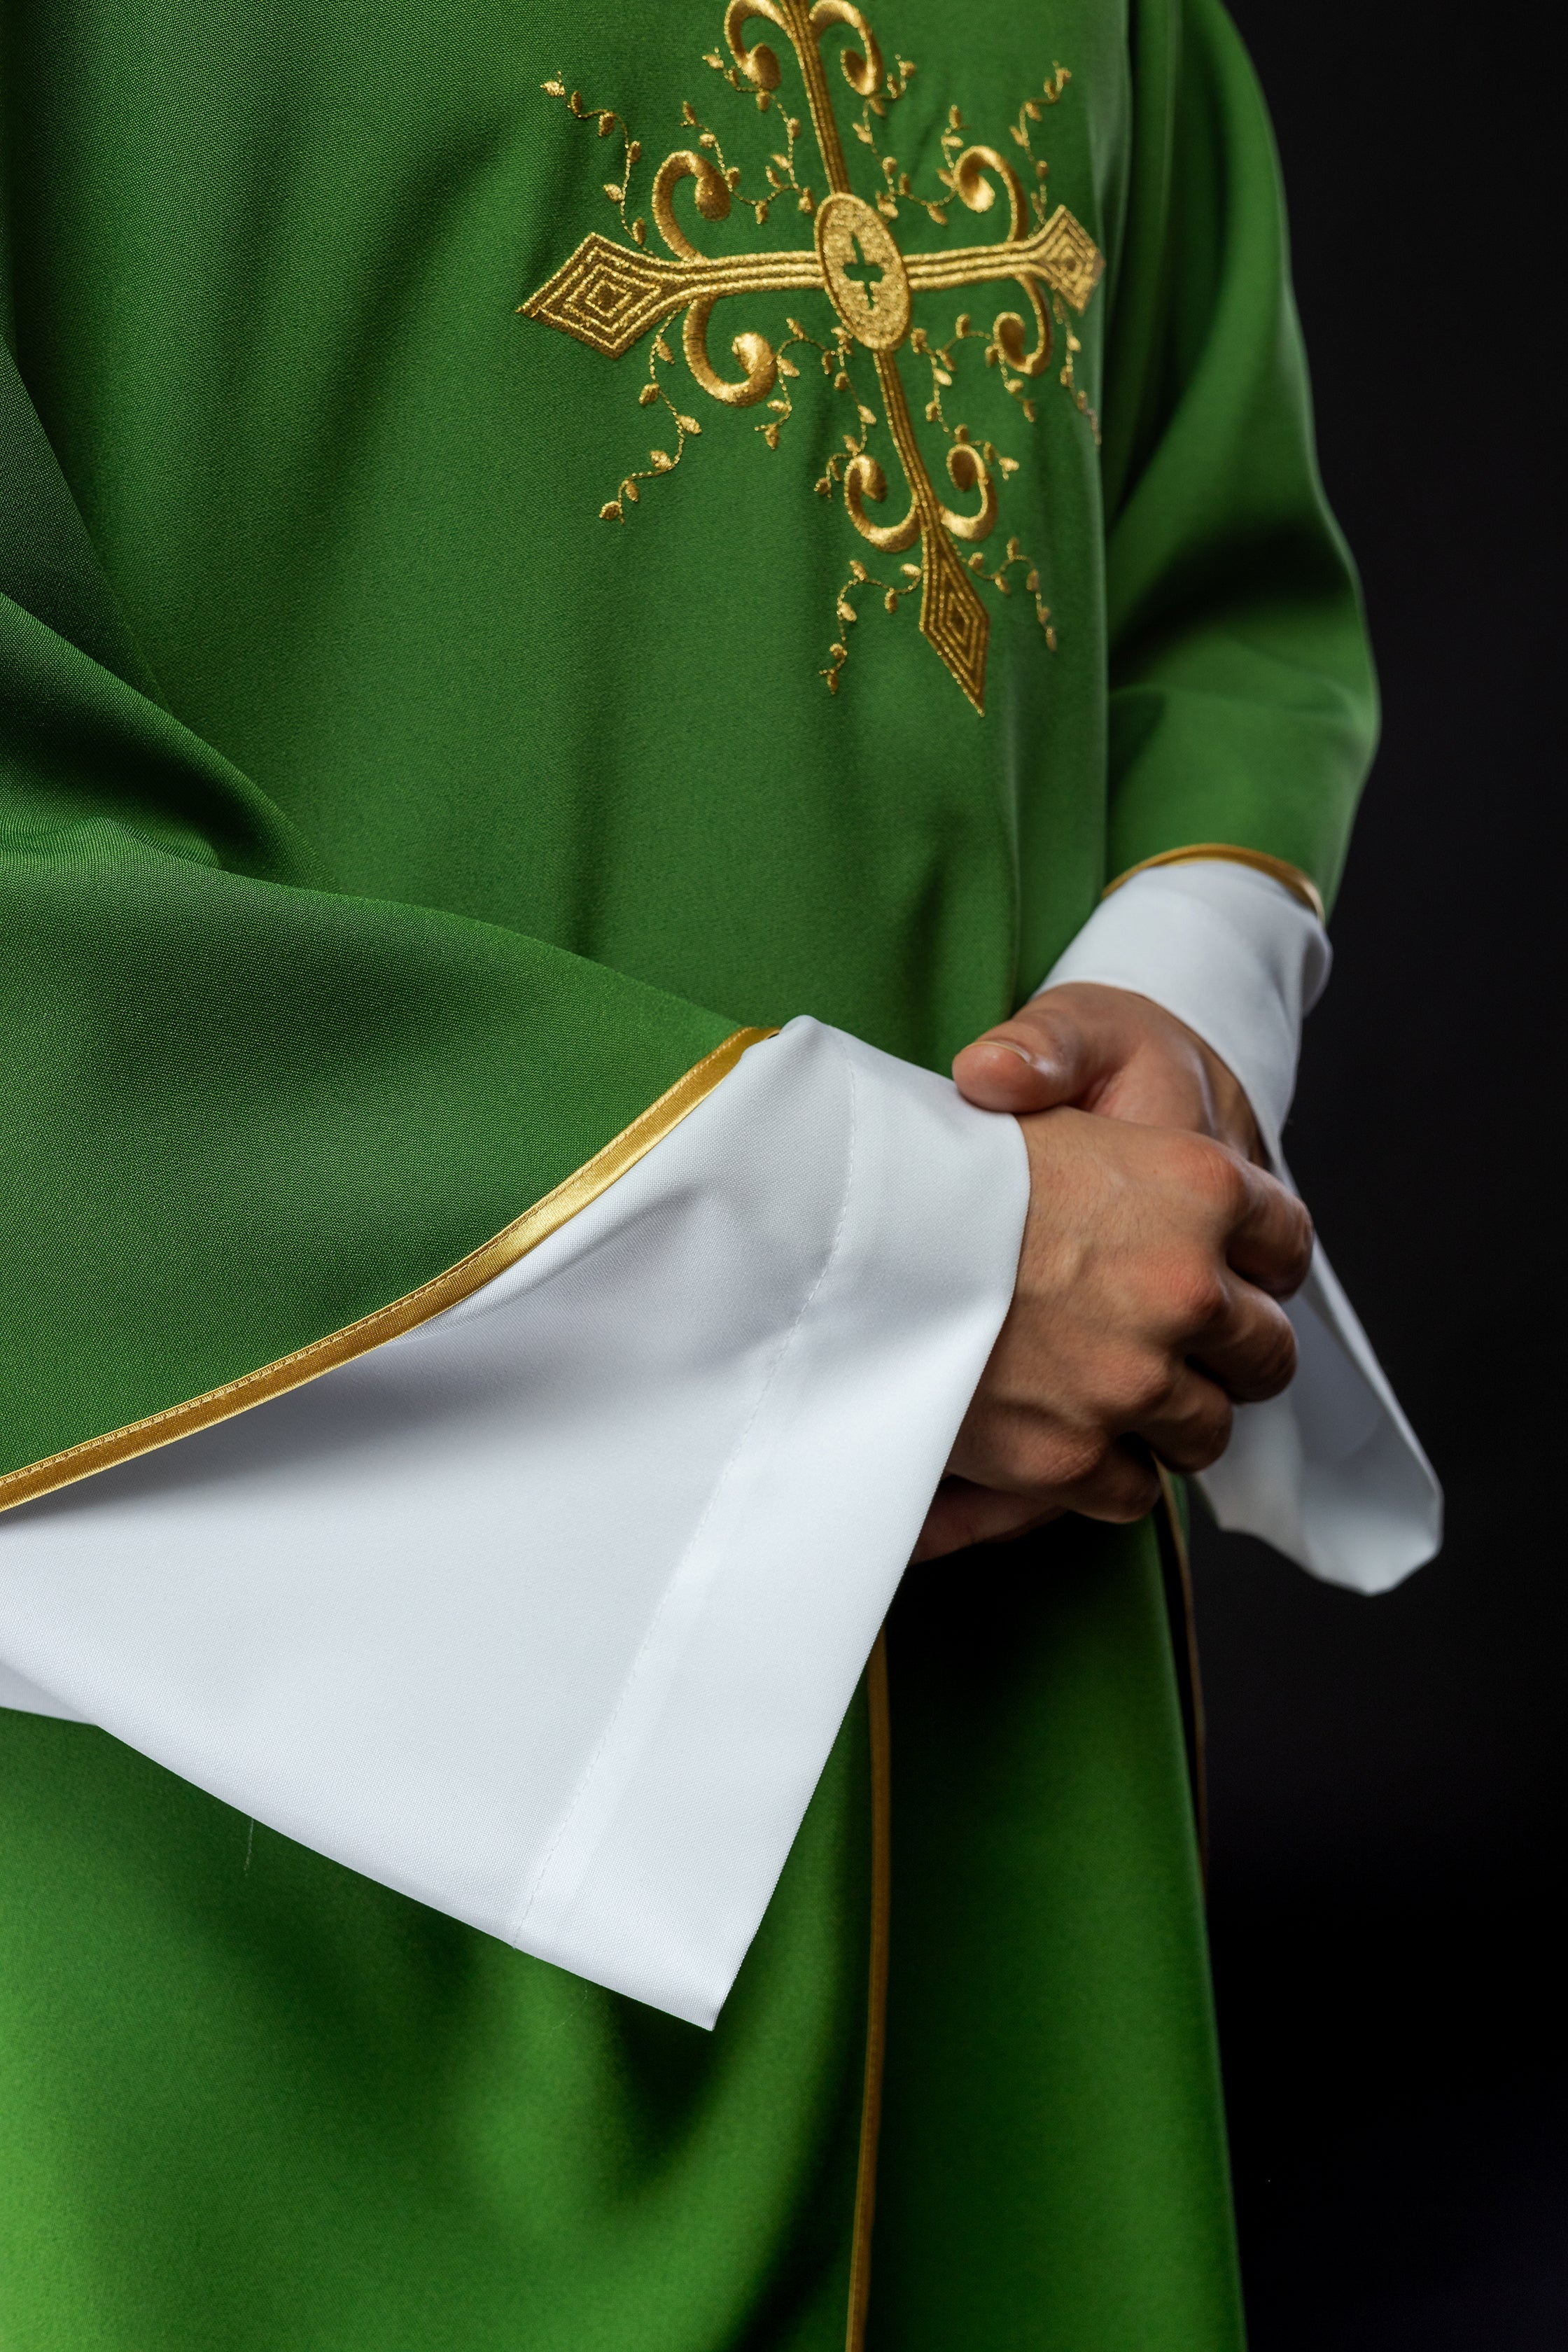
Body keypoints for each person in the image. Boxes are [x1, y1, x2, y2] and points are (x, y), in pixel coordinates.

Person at [0, 0, 1439, 2343]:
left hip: (999, 1684)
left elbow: (1201, 526)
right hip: (220, 1738)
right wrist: (882, 1268)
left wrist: (1181, 1000)